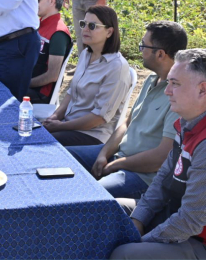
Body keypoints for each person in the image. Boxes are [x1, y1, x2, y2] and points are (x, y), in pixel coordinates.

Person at [111, 49, 206, 260]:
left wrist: (140, 240)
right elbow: (163, 180)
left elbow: (191, 220)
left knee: (124, 254)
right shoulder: (190, 121)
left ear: (202, 90)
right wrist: (138, 219)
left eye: (175, 84)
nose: (167, 91)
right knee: (107, 211)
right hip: (184, 224)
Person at [67, 21, 188, 199]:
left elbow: (160, 158)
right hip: (120, 156)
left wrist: (117, 164)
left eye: (143, 45)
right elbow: (127, 122)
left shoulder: (178, 95)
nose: (140, 51)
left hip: (142, 176)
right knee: (63, 157)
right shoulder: (151, 80)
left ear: (160, 54)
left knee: (88, 196)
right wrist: (103, 153)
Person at [42, 5, 130, 146]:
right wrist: (55, 116)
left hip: (92, 135)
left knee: (41, 142)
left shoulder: (117, 67)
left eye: (93, 25)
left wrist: (60, 126)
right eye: (83, 24)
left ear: (109, 32)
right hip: (67, 125)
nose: (85, 29)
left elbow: (98, 118)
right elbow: (71, 93)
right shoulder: (85, 54)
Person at [26, 0, 72, 103]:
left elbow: (52, 75)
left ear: (52, 1)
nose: (33, 2)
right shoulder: (39, 24)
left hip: (38, 93)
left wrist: (23, 83)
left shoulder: (58, 33)